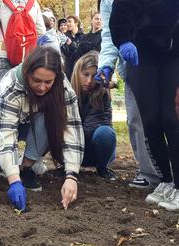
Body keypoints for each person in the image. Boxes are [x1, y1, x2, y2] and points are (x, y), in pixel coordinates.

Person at [0, 46, 84, 211]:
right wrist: (14, 180)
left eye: (48, 82)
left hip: (35, 129)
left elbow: (72, 129)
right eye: (37, 80)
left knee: (52, 117)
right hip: (5, 128)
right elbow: (6, 134)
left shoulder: (64, 88)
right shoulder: (11, 86)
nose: (42, 87)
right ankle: (14, 171)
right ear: (27, 74)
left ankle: (26, 166)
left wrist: (72, 176)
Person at [110, 0, 179, 211]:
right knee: (150, 120)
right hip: (143, 54)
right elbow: (121, 12)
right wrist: (123, 40)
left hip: (174, 54)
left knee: (172, 117)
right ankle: (166, 180)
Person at [94, 0, 161, 188]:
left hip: (164, 58)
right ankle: (150, 173)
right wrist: (106, 65)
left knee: (170, 118)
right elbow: (109, 34)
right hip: (133, 64)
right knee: (136, 119)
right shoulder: (107, 1)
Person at [71, 51, 117, 180]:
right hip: (70, 149)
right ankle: (66, 166)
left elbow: (91, 127)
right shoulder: (66, 92)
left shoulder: (102, 95)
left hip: (92, 148)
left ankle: (102, 166)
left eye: (94, 76)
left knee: (105, 133)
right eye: (85, 75)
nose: (89, 81)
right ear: (77, 73)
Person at [0, 0, 46, 88]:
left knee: (6, 89)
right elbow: (41, 30)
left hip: (4, 52)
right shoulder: (33, 3)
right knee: (27, 89)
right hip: (28, 54)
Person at [61, 15, 84, 80]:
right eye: (66, 22)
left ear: (76, 23)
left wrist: (71, 44)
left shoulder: (83, 37)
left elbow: (80, 53)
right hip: (67, 70)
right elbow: (64, 53)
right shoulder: (64, 37)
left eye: (69, 22)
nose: (67, 24)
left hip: (79, 69)